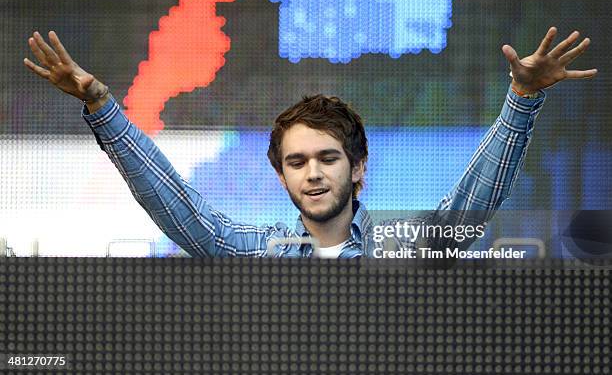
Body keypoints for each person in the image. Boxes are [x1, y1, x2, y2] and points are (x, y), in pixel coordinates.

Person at [24, 28, 597, 257]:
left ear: (359, 170)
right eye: (297, 162)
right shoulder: (261, 252)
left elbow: (474, 201)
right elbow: (179, 207)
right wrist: (102, 106)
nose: (313, 173)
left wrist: (522, 97)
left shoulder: (403, 249)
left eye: (328, 157)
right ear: (282, 177)